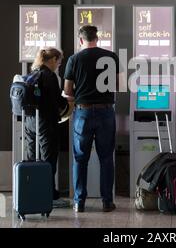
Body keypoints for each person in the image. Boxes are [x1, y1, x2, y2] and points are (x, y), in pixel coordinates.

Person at [64, 25, 121, 213]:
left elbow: (67, 91)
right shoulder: (111, 57)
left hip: (83, 113)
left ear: (81, 40)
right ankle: (107, 201)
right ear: (97, 38)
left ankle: (79, 202)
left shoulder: (74, 59)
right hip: (106, 113)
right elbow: (119, 85)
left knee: (80, 159)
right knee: (106, 158)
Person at [25, 48, 69, 203]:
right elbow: (57, 101)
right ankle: (48, 194)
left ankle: (32, 192)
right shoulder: (49, 76)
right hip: (45, 123)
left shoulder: (33, 73)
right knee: (48, 160)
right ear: (52, 60)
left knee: (32, 159)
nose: (59, 64)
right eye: (59, 61)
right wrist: (67, 102)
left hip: (30, 123)